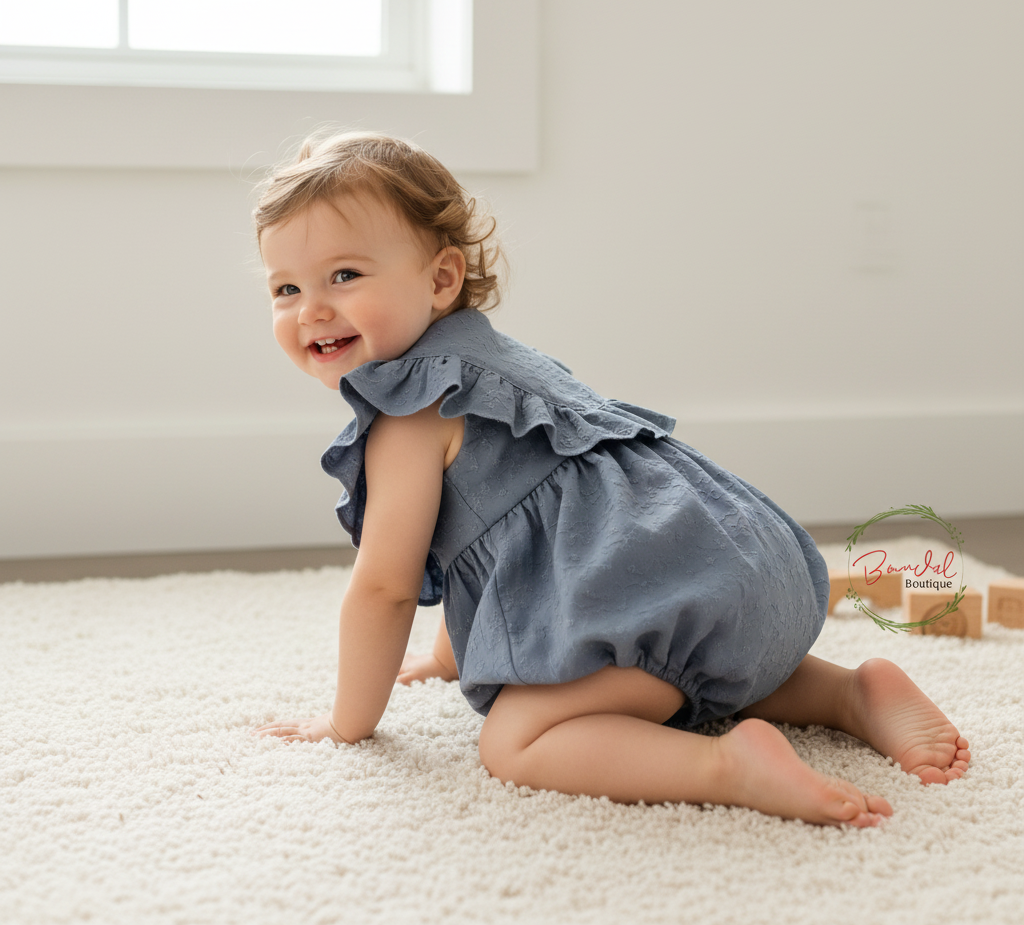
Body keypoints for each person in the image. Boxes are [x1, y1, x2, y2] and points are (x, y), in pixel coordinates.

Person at [250, 131, 969, 827]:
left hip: (657, 598)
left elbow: (387, 586)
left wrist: (347, 724)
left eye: (344, 275)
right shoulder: (498, 360)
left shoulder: (410, 415)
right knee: (700, 663)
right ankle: (850, 694)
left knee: (516, 739)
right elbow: (496, 536)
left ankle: (727, 768)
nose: (311, 308)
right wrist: (449, 655)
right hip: (735, 569)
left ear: (441, 278)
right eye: (286, 288)